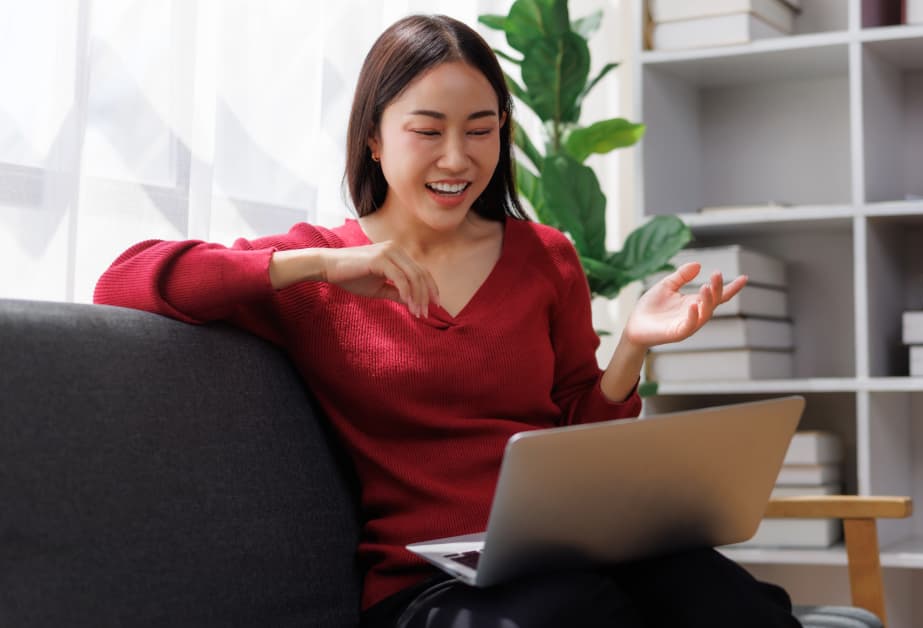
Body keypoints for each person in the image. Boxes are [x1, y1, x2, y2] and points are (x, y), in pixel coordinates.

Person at [94, 14, 802, 628]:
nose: (458, 159)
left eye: (481, 130)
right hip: (428, 586)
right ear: (374, 138)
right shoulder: (326, 267)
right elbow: (122, 281)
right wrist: (315, 266)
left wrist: (633, 349)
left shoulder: (544, 257)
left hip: (575, 554)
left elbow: (583, 441)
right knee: (572, 615)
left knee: (732, 608)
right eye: (427, 131)